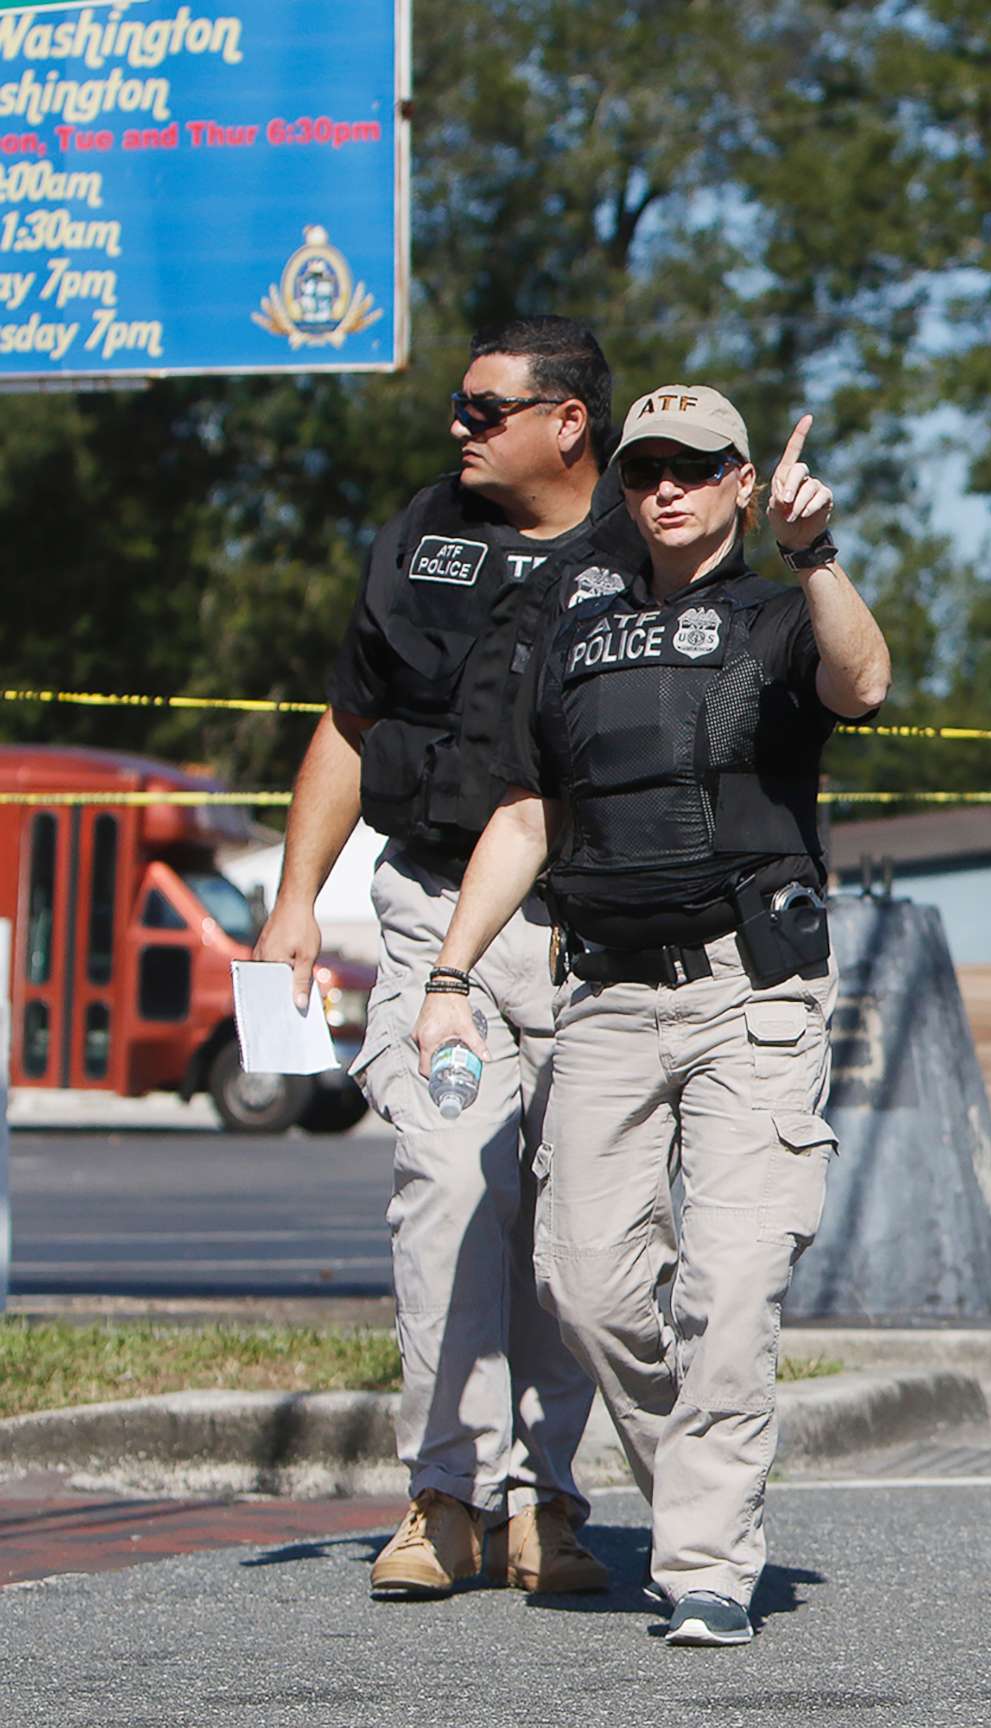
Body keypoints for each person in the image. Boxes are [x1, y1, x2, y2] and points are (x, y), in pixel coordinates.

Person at [413, 385, 889, 1646]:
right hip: (607, 993)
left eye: (696, 467)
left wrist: (818, 555)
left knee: (730, 1287)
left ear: (743, 483)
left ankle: (707, 1564)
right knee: (584, 1286)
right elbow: (524, 815)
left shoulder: (782, 615)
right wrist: (449, 978)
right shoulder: (569, 634)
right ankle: (704, 1489)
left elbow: (866, 679)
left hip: (753, 993)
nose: (667, 488)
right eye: (645, 471)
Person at [254, 316, 624, 1600]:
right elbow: (351, 722)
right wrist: (297, 898)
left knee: (576, 1223)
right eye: (459, 409)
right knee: (451, 1189)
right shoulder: (424, 534)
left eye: (482, 409)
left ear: (566, 421)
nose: (457, 428)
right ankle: (443, 1496)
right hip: (429, 912)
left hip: (591, 935)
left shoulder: (649, 542)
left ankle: (547, 1500)